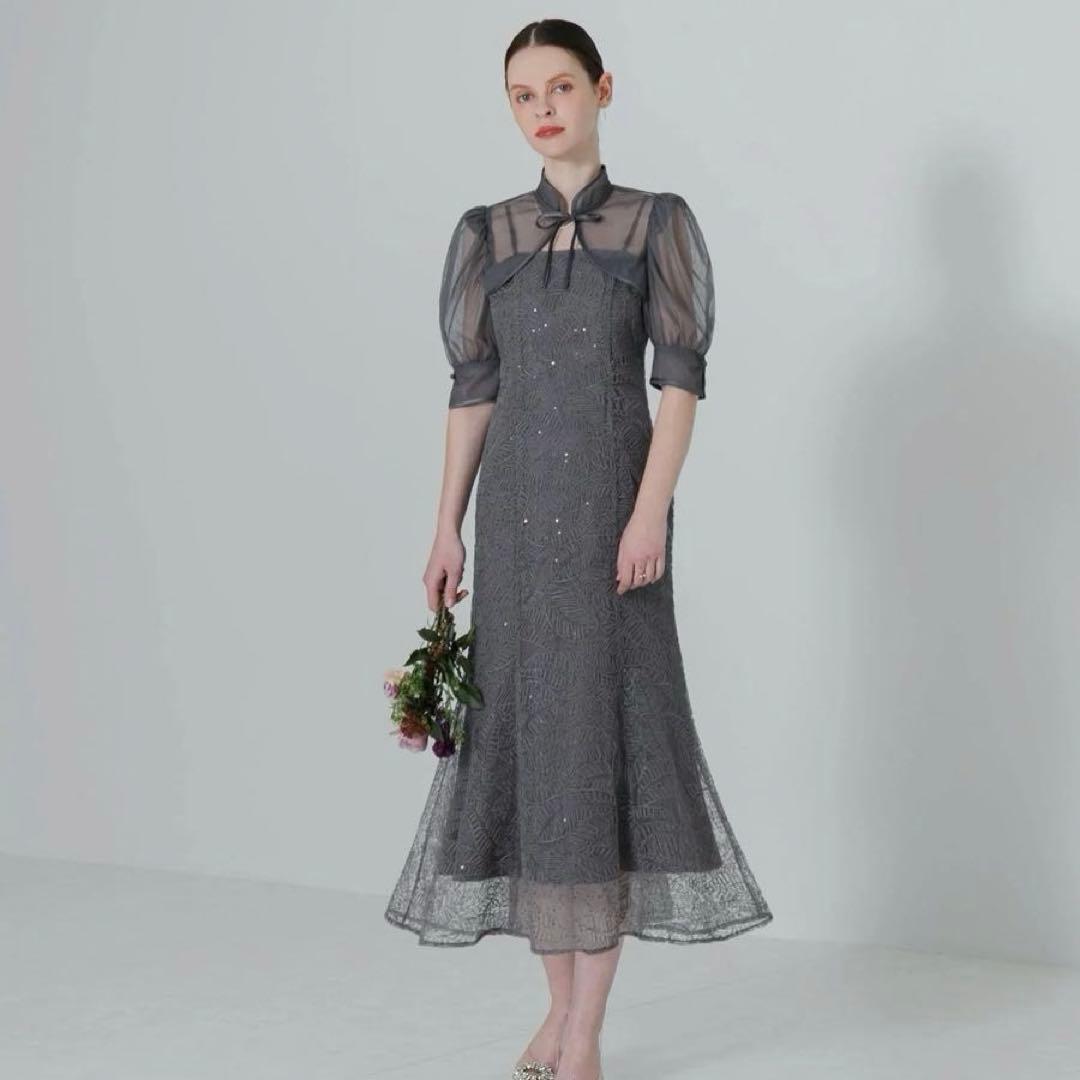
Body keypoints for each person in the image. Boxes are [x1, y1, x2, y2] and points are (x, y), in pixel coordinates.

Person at [384, 18, 773, 1080]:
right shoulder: (486, 233)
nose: (543, 109)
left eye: (560, 86)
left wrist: (649, 514)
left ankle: (587, 1032)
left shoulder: (656, 222)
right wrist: (445, 523)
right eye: (523, 95)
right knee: (534, 756)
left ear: (602, 89)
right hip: (514, 526)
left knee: (602, 748)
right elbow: (474, 391)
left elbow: (679, 382)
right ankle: (557, 1015)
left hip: (613, 521)